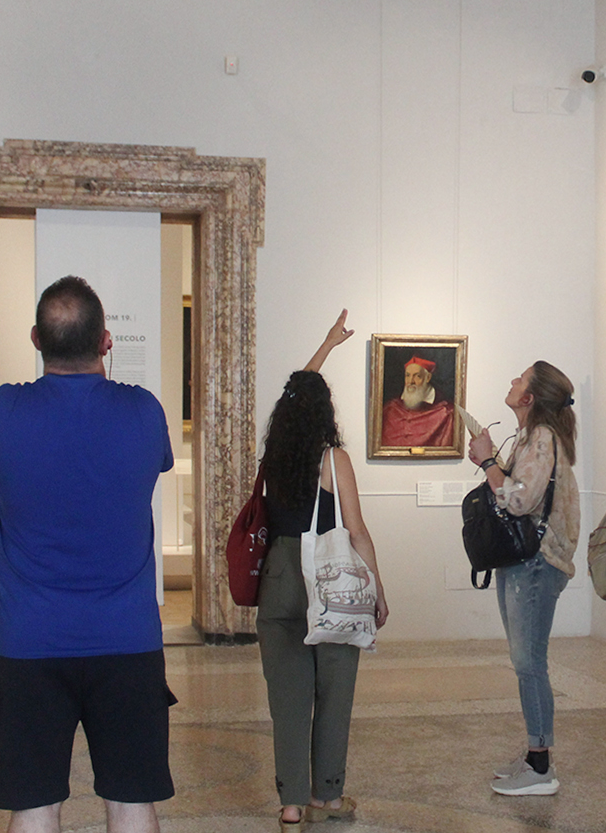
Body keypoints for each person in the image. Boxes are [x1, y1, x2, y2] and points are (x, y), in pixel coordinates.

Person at [0, 275, 175, 833]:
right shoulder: (143, 412)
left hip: (28, 640)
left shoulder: (5, 409)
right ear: (107, 341)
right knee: (132, 804)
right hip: (127, 639)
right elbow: (149, 470)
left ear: (36, 339)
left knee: (33, 808)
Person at [257, 311, 389, 831]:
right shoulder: (334, 461)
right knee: (334, 690)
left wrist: (326, 347)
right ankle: (327, 796)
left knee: (287, 696)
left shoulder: (274, 454)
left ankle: (291, 804)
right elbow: (356, 531)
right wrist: (377, 588)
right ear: (326, 414)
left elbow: (294, 396)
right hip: (328, 580)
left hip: (279, 578)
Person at [467, 361, 581, 796]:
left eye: (520, 379)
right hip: (523, 563)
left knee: (529, 663)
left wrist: (488, 461)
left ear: (530, 398)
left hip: (535, 564)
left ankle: (541, 767)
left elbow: (518, 500)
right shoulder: (533, 438)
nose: (512, 381)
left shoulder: (542, 439)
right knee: (525, 662)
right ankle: (536, 751)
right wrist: (493, 460)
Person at [379, 355, 454, 447]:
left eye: (417, 376)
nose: (411, 381)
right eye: (407, 376)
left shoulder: (445, 412)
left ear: (428, 378)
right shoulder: (390, 408)